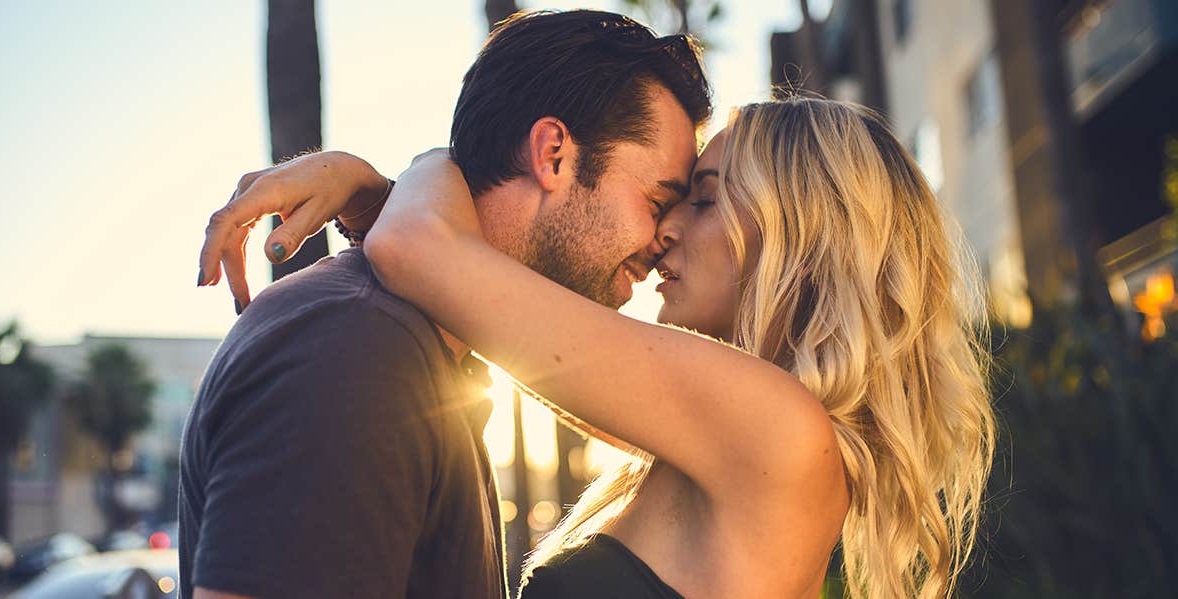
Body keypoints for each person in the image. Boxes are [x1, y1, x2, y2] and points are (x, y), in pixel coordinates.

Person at [200, 98, 996, 598]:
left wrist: (409, 171)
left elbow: (419, 249)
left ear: (806, 236)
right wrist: (381, 201)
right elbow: (470, 294)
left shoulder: (776, 428)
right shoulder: (722, 437)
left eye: (707, 201)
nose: (668, 229)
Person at [183, 10, 711, 599]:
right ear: (554, 154)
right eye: (658, 198)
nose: (667, 233)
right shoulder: (355, 350)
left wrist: (385, 193)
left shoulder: (423, 348)